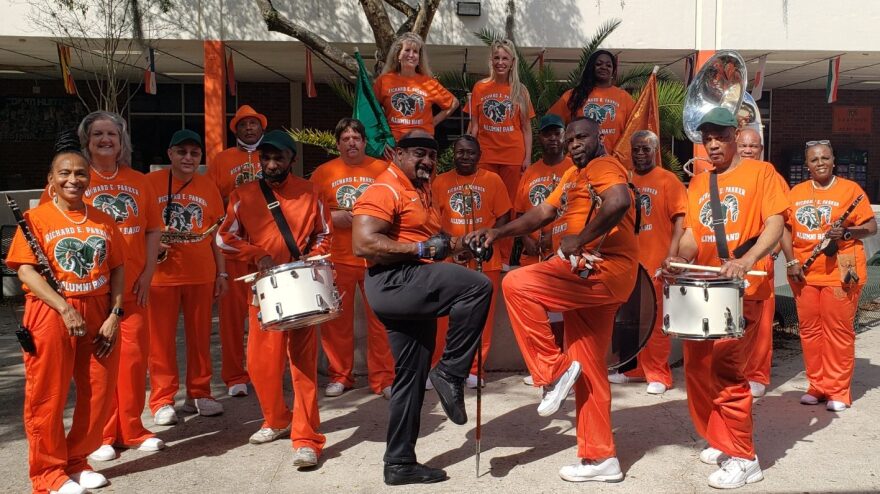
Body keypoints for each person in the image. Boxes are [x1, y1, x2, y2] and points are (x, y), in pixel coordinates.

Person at [466, 116, 637, 483]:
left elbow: (619, 201)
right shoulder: (571, 176)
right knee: (589, 368)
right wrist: (497, 232)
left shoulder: (603, 165)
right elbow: (542, 213)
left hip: (603, 268)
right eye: (569, 138)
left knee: (518, 284)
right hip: (592, 274)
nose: (574, 143)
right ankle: (600, 458)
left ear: (599, 138)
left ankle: (551, 372)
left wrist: (580, 239)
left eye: (582, 137)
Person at [352, 130, 492, 485]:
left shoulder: (421, 194)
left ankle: (399, 463)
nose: (427, 161)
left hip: (411, 287)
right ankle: (449, 372)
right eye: (418, 154)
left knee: (410, 379)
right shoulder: (385, 188)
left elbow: (437, 242)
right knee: (478, 287)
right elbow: (363, 242)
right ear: (397, 154)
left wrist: (466, 244)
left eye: (431, 156)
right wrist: (419, 251)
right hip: (395, 280)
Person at [661, 108, 787, 489]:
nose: (713, 143)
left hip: (740, 289)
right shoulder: (700, 183)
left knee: (728, 372)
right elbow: (692, 237)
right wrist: (678, 260)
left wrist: (747, 260)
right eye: (706, 138)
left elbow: (776, 222)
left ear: (735, 136)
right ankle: (721, 438)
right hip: (703, 287)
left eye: (720, 136)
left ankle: (745, 457)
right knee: (698, 372)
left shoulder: (761, 173)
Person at [7, 150, 125, 494]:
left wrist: (115, 314)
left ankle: (77, 461)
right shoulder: (36, 217)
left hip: (99, 310)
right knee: (48, 394)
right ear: (51, 180)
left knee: (99, 392)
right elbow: (26, 269)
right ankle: (47, 472)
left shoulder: (103, 219)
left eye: (80, 173)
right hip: (51, 311)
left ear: (90, 179)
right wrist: (64, 308)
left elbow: (117, 267)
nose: (73, 180)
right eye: (64, 173)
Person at [217, 130, 330, 467]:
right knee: (260, 365)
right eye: (266, 158)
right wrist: (255, 253)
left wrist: (314, 257)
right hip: (264, 291)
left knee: (302, 367)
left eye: (278, 158)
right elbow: (224, 238)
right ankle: (277, 419)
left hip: (303, 289)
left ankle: (307, 439)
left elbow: (324, 235)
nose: (271, 163)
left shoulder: (310, 192)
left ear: (291, 160)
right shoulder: (243, 194)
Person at [75, 112, 164, 461]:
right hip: (95, 289)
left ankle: (132, 428)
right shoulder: (74, 179)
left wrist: (148, 273)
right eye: (98, 133)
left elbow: (153, 230)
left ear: (122, 140)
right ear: (87, 140)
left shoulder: (141, 181)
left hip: (134, 289)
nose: (105, 139)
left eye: (112, 133)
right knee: (99, 365)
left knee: (133, 361)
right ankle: (101, 434)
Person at [781, 140, 876, 412]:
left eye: (825, 157)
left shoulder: (851, 190)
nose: (820, 162)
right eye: (814, 159)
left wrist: (847, 233)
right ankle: (817, 385)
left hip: (841, 269)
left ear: (833, 160)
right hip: (805, 272)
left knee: (838, 331)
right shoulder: (795, 192)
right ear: (806, 164)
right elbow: (784, 229)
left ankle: (838, 390)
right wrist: (791, 261)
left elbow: (870, 226)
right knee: (810, 331)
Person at [309, 118, 394, 399]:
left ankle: (383, 378)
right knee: (337, 323)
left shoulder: (382, 169)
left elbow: (397, 205)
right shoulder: (323, 172)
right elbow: (310, 213)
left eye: (356, 138)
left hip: (375, 258)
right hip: (339, 257)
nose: (351, 143)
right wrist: (334, 218)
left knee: (381, 320)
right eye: (345, 139)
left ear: (365, 142)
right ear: (337, 144)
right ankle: (340, 376)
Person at [146, 130, 227, 424]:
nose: (188, 158)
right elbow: (139, 227)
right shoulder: (149, 183)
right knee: (160, 342)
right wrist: (151, 247)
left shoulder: (209, 186)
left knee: (200, 338)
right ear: (170, 154)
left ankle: (200, 393)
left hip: (201, 273)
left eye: (194, 153)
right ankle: (161, 399)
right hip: (160, 277)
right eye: (182, 152)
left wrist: (222, 272)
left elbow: (217, 233)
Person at [608, 130, 686, 395]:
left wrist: (672, 256)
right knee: (631, 321)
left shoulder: (668, 180)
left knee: (655, 323)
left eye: (646, 149)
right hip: (629, 263)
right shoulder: (625, 180)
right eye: (636, 149)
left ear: (656, 150)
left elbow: (680, 222)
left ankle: (659, 375)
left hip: (656, 263)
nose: (640, 154)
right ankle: (635, 369)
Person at [430, 135, 511, 388]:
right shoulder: (439, 182)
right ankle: (439, 367)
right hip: (449, 260)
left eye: (470, 153)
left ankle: (475, 370)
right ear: (453, 154)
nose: (465, 157)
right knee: (443, 318)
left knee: (481, 319)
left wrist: (484, 242)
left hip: (485, 260)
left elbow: (504, 217)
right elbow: (432, 221)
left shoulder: (493, 180)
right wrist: (454, 248)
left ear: (479, 155)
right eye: (460, 152)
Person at [209, 104, 269, 398]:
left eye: (254, 124)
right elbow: (213, 199)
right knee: (231, 316)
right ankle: (234, 376)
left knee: (265, 312)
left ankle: (266, 371)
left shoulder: (271, 154)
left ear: (262, 128)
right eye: (243, 125)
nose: (249, 129)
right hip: (232, 244)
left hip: (264, 245)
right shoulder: (222, 160)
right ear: (237, 130)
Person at [513, 114, 573, 386]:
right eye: (547, 134)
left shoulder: (574, 168)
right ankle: (541, 366)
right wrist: (526, 239)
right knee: (536, 315)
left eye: (556, 133)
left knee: (563, 316)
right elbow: (520, 212)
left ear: (564, 137)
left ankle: (565, 365)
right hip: (534, 254)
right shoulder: (531, 172)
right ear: (540, 138)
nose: (552, 138)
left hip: (564, 254)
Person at [735, 127, 780, 398]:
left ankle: (757, 374)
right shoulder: (725, 174)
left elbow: (779, 219)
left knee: (761, 324)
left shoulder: (768, 174)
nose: (748, 150)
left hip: (759, 260)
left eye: (754, 146)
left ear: (761, 149)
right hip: (732, 261)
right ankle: (736, 371)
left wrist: (772, 251)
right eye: (744, 146)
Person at [467, 38, 535, 209]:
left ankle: (507, 237)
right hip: (486, 154)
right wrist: (468, 150)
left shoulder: (521, 91)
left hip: (513, 155)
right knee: (485, 200)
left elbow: (526, 128)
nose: (500, 62)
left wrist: (527, 158)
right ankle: (485, 236)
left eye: (505, 58)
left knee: (510, 203)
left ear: (512, 62)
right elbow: (473, 125)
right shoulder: (480, 87)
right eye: (496, 58)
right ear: (491, 60)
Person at [374, 32, 459, 141]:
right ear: (398, 55)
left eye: (415, 52)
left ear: (419, 58)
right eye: (407, 50)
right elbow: (372, 111)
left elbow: (453, 103)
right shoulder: (384, 81)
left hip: (421, 141)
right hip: (393, 143)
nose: (411, 55)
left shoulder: (428, 82)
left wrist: (431, 123)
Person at [547, 50, 635, 153]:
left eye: (608, 65)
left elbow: (636, 127)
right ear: (591, 67)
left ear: (613, 71)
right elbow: (551, 122)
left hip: (613, 162)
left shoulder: (625, 98)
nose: (604, 67)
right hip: (579, 162)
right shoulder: (574, 95)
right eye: (598, 64)